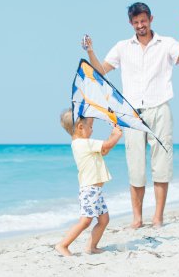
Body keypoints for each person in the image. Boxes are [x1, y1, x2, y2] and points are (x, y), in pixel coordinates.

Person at [82, 2, 179, 228]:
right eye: (136, 22)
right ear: (130, 23)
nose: (140, 25)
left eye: (143, 21)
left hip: (159, 108)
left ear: (151, 19)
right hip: (131, 113)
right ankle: (137, 218)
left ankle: (158, 217)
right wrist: (90, 51)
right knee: (135, 168)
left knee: (161, 166)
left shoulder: (167, 44)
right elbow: (101, 71)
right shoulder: (122, 47)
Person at [55, 109, 122, 256]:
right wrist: (116, 135)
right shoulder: (82, 143)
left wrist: (112, 136)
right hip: (89, 189)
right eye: (90, 126)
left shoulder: (84, 144)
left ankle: (91, 246)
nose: (92, 130)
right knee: (85, 221)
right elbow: (107, 145)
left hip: (96, 191)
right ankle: (62, 245)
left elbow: (104, 150)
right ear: (80, 127)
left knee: (104, 219)